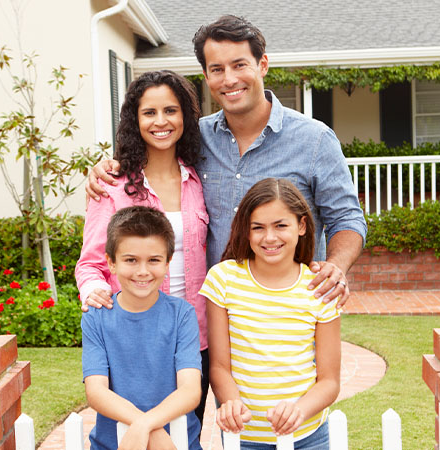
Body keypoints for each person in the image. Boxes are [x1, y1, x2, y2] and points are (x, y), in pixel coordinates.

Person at [86, 15, 366, 307]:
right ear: (206, 77)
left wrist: (336, 265)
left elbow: (346, 217)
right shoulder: (194, 138)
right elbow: (151, 158)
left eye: (239, 65)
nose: (229, 79)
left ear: (263, 65)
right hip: (216, 315)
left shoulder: (315, 140)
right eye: (217, 69)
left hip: (289, 314)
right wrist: (109, 168)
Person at [75, 70, 212, 423]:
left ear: (185, 116)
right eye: (149, 112)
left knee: (184, 433)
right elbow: (90, 264)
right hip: (136, 339)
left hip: (195, 335)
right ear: (135, 120)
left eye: (171, 110)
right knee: (139, 432)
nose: (161, 121)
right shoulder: (112, 185)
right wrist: (95, 292)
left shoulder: (200, 178)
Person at [200, 178, 341, 449]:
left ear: (301, 226)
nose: (270, 237)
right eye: (258, 228)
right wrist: (232, 403)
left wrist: (299, 410)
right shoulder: (223, 279)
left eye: (280, 225)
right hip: (243, 438)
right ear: (247, 231)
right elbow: (219, 366)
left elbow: (330, 381)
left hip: (308, 437)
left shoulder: (320, 288)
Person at [82, 206, 203, 450]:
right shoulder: (96, 316)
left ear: (168, 263)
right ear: (111, 263)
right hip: (113, 444)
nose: (143, 271)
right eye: (131, 260)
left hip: (176, 443)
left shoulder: (182, 314)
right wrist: (144, 425)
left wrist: (145, 425)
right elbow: (96, 391)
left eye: (154, 260)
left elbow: (190, 390)